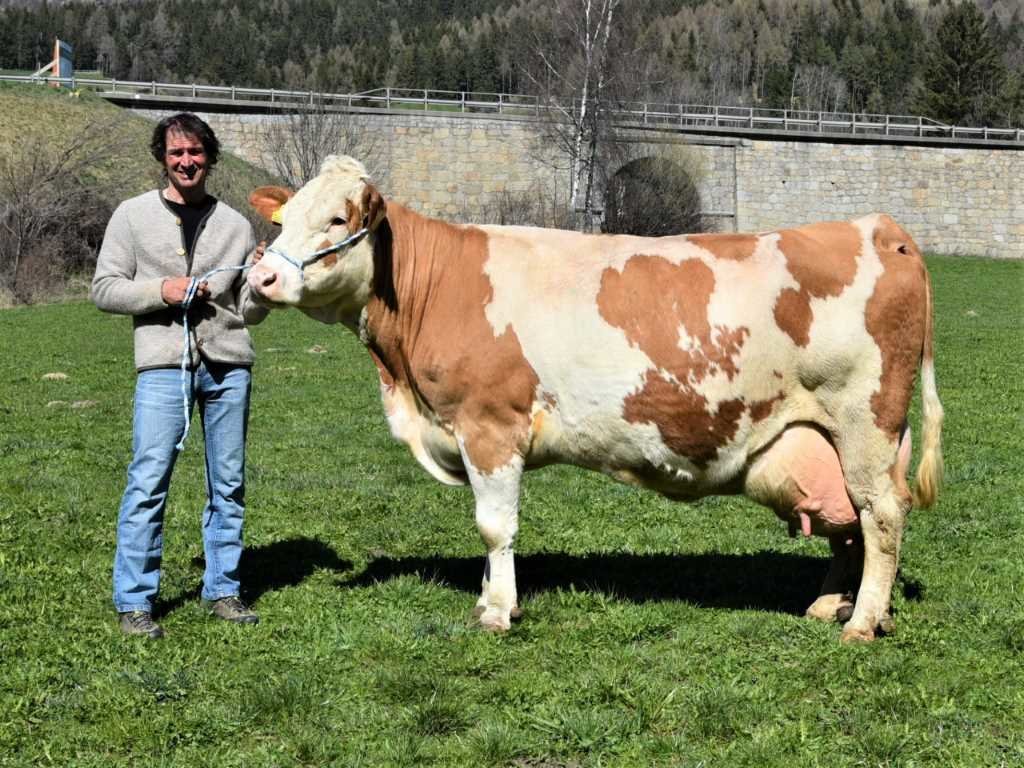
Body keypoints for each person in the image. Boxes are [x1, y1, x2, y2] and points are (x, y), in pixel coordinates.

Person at [92, 112, 269, 638]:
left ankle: (224, 591)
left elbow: (249, 310)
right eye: (176, 154)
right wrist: (160, 291)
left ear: (210, 157)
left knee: (229, 484)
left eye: (195, 153)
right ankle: (135, 601)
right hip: (163, 366)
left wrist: (260, 283)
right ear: (163, 160)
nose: (186, 162)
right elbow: (103, 289)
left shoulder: (237, 225)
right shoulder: (131, 216)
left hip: (228, 366)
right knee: (148, 481)